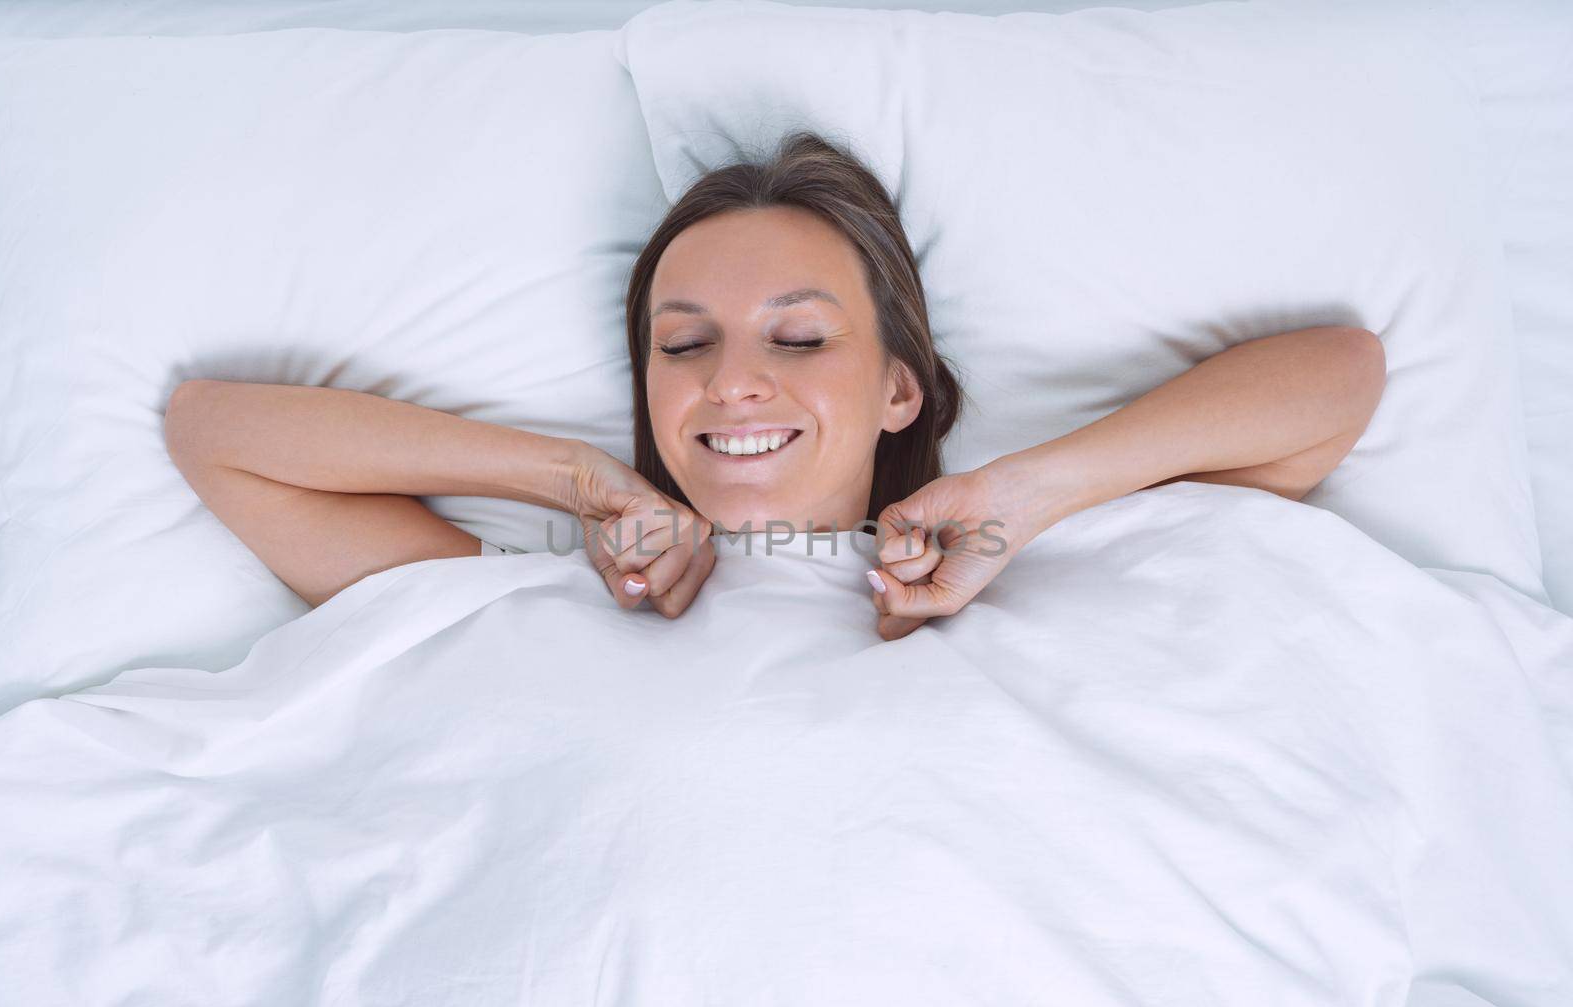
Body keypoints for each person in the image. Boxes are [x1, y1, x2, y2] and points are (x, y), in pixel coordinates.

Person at [163, 130, 1385, 641]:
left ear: (902, 390)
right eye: (683, 346)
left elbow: (1337, 377)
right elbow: (218, 431)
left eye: (798, 341)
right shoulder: (531, 602)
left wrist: (1027, 490)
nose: (733, 381)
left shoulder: (1040, 567)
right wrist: (580, 480)